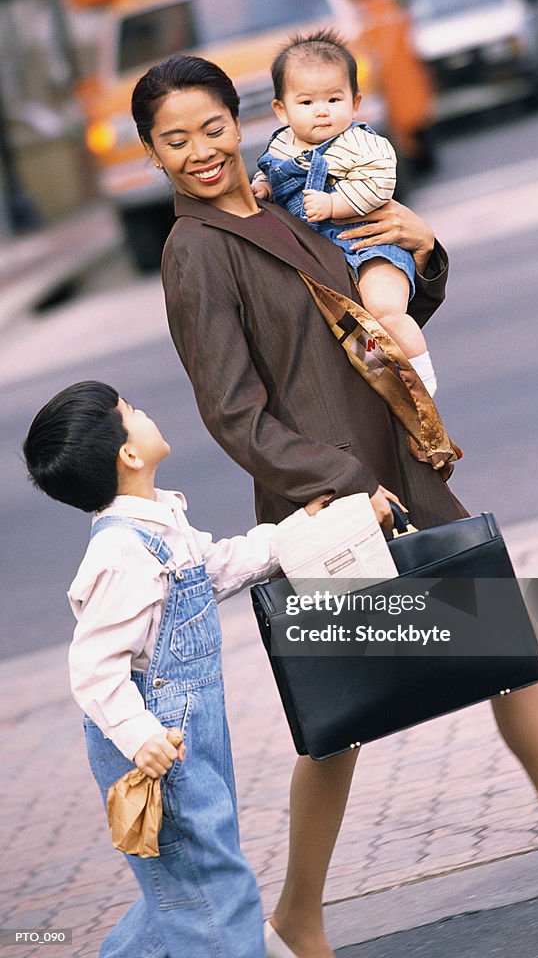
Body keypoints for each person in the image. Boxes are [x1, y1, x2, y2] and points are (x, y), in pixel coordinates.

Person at [131, 55, 538, 957]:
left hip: (399, 462)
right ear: (152, 155)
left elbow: (371, 308)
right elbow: (232, 411)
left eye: (212, 127)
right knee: (339, 717)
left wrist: (421, 251)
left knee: (507, 647)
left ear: (240, 120)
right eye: (174, 140)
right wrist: (339, 483)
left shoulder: (288, 194)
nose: (200, 151)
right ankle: (298, 918)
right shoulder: (193, 251)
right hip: (328, 500)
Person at [22, 380, 328, 958]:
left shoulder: (161, 525)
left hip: (188, 734)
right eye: (129, 411)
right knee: (216, 894)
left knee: (184, 891)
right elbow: (93, 667)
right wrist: (141, 739)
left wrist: (298, 536)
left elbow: (216, 567)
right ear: (129, 455)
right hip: (158, 743)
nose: (142, 410)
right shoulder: (121, 554)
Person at [252, 30, 438, 396]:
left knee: (384, 310)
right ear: (281, 109)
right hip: (325, 260)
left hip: (370, 247)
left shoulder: (363, 143)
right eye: (306, 103)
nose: (321, 111)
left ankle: (422, 380)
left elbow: (380, 185)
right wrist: (264, 188)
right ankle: (387, 388)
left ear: (354, 102)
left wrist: (335, 204)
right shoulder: (281, 145)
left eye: (334, 99)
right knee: (353, 328)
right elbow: (269, 172)